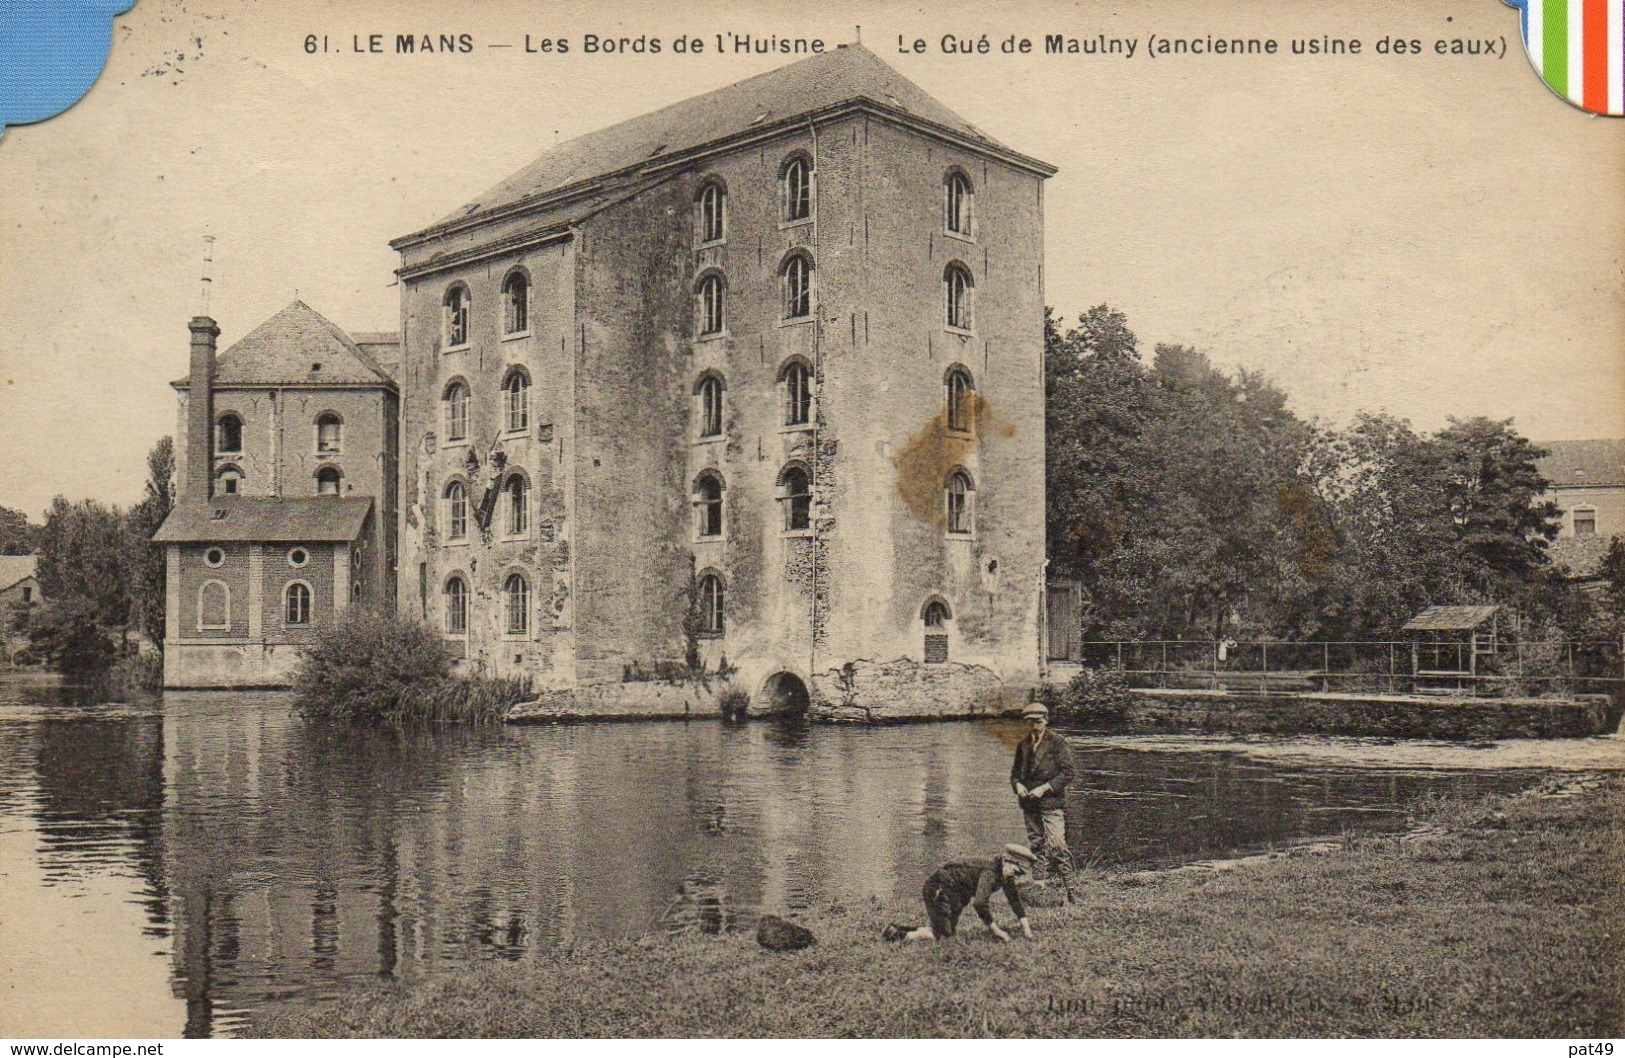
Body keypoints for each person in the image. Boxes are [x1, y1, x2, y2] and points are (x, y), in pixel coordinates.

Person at [888, 844, 1036, 942]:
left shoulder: (1004, 872)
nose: (1015, 877)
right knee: (941, 935)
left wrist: (1026, 928)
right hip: (938, 888)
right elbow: (980, 903)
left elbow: (1014, 899)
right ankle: (896, 936)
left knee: (947, 931)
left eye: (1018, 875)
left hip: (955, 893)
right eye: (1015, 872)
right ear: (1006, 860)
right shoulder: (990, 872)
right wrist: (997, 931)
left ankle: (898, 929)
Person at [1011, 701, 1075, 899]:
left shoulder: (1058, 742)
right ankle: (1039, 884)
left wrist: (1045, 788)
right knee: (1037, 843)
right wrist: (1019, 787)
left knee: (1056, 844)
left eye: (1037, 721)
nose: (1034, 726)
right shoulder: (1023, 745)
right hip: (1029, 803)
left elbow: (1068, 773)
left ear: (1046, 721)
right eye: (1029, 722)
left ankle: (1071, 888)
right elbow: (1015, 775)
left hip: (1051, 802)